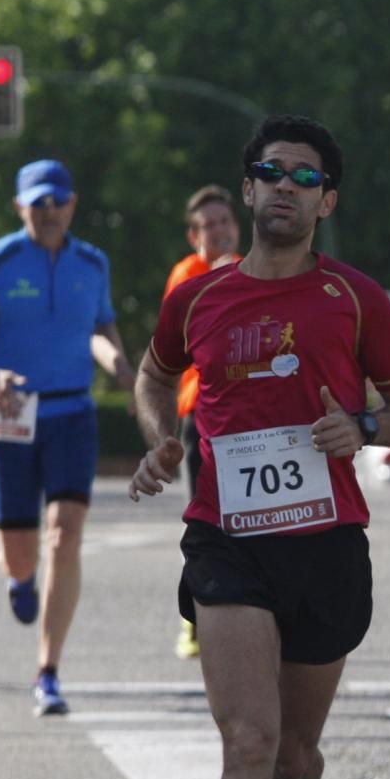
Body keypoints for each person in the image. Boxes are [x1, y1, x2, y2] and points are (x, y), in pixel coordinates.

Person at [129, 114, 390, 779]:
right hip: (226, 540)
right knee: (248, 740)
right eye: (270, 172)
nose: (284, 187)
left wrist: (364, 425)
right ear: (248, 189)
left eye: (305, 177)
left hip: (324, 540)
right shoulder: (199, 297)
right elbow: (153, 376)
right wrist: (158, 440)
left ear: (326, 200)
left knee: (296, 758)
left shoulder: (355, 299)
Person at [0, 159, 136, 716]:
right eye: (39, 203)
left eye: (59, 202)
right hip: (12, 415)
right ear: (20, 207)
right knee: (21, 555)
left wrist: (120, 365)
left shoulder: (92, 262)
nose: (50, 212)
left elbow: (100, 328)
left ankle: (48, 671)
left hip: (73, 411)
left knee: (65, 534)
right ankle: (19, 580)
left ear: (72, 205)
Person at [163, 185, 243, 659]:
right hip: (201, 411)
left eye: (224, 222)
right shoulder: (186, 275)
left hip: (246, 410)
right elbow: (177, 341)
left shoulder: (251, 269)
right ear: (195, 235)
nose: (218, 230)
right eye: (208, 225)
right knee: (204, 516)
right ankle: (193, 616)